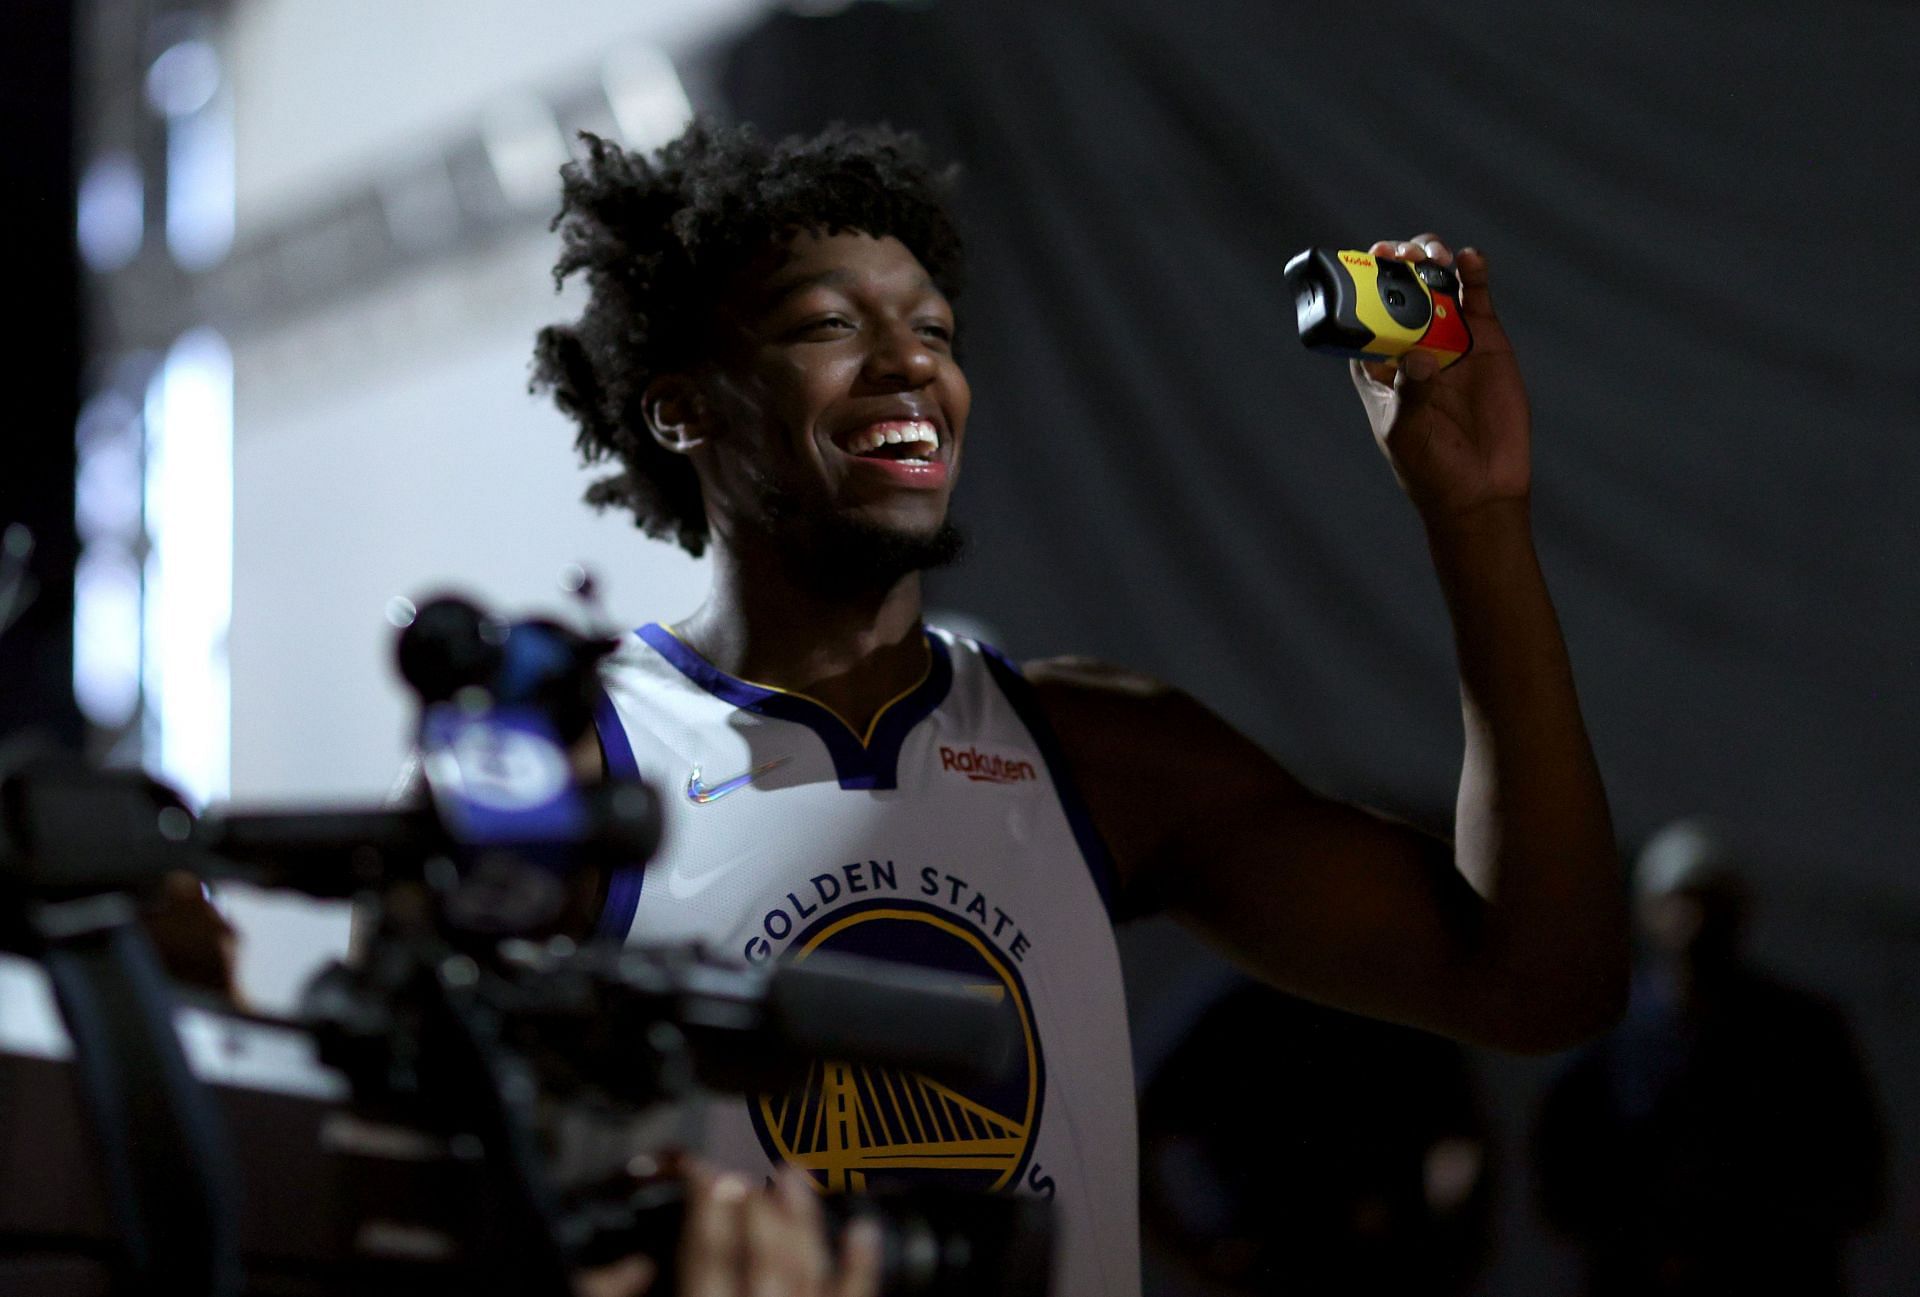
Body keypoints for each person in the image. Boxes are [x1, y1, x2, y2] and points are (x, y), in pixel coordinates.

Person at [531, 120, 1626, 1297]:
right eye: (831, 325)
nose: (912, 365)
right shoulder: (564, 767)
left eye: (935, 330)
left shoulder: (1098, 750)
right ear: (683, 410)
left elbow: (1540, 984)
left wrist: (1478, 519)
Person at [1533, 819, 1885, 1296]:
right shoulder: (1607, 1030)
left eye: (1709, 901)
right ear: (1646, 911)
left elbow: (1855, 1163)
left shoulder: (1802, 1030)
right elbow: (1563, 1162)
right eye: (1678, 900)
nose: (1693, 919)